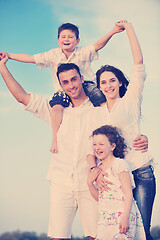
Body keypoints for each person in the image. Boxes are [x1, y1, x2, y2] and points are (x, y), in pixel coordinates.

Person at [0, 56, 148, 239]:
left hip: (93, 182)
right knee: (58, 236)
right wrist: (2, 67)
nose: (71, 85)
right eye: (65, 82)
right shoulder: (55, 110)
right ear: (61, 86)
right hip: (61, 181)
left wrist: (143, 138)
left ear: (81, 78)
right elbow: (22, 97)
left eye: (74, 79)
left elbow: (122, 131)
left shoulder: (99, 111)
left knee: (97, 236)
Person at [0, 22, 125, 153]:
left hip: (87, 85)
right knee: (56, 108)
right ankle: (55, 139)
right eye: (63, 37)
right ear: (58, 40)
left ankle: (115, 131)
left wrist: (113, 31)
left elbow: (98, 45)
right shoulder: (52, 55)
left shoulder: (82, 52)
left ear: (77, 41)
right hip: (62, 92)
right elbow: (31, 58)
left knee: (103, 103)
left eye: (70, 37)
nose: (66, 39)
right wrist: (9, 55)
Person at [93, 20, 156, 240]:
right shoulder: (98, 113)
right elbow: (95, 147)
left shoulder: (130, 100)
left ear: (120, 83)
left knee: (142, 231)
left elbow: (138, 62)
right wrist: (93, 170)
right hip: (117, 178)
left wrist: (129, 28)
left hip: (140, 172)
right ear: (99, 86)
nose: (108, 85)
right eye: (104, 82)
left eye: (113, 80)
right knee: (121, 232)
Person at [87, 125, 146, 240]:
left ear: (113, 146)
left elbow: (128, 193)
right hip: (106, 220)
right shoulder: (98, 168)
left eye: (101, 144)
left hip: (122, 217)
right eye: (94, 144)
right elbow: (100, 198)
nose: (97, 148)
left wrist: (125, 218)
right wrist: (89, 184)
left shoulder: (120, 164)